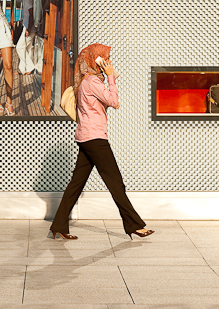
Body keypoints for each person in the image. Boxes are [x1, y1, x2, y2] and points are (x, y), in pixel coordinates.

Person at [49, 44, 154, 240]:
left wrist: (109, 76)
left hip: (85, 137)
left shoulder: (87, 81)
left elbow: (106, 100)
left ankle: (59, 224)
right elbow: (114, 102)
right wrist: (111, 77)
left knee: (76, 184)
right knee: (116, 183)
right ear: (94, 61)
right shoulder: (92, 82)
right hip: (95, 139)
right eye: (104, 58)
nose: (108, 61)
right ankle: (134, 225)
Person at [15, 0, 36, 75]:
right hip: (26, 26)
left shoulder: (28, 0)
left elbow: (31, 14)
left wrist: (28, 28)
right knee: (25, 49)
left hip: (28, 28)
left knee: (19, 47)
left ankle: (30, 67)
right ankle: (22, 69)